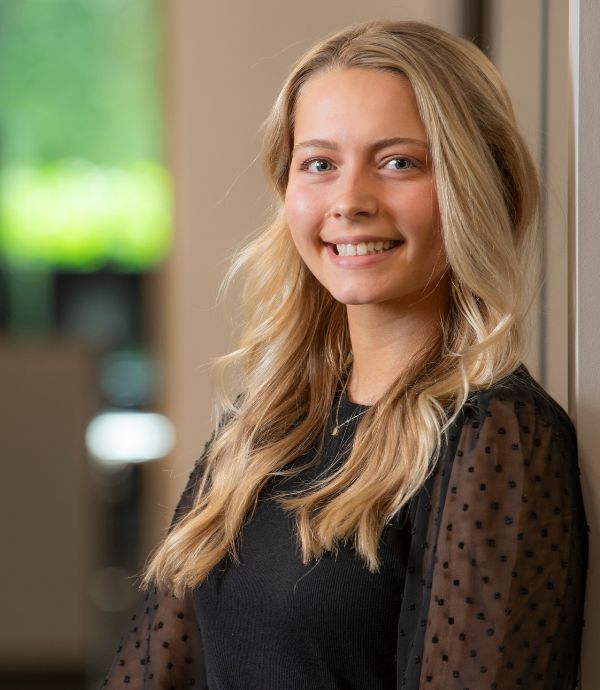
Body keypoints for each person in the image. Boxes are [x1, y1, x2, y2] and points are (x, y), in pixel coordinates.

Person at [102, 19, 588, 690]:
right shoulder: (260, 430)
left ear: (479, 185)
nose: (351, 202)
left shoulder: (494, 437)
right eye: (320, 164)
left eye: (399, 162)